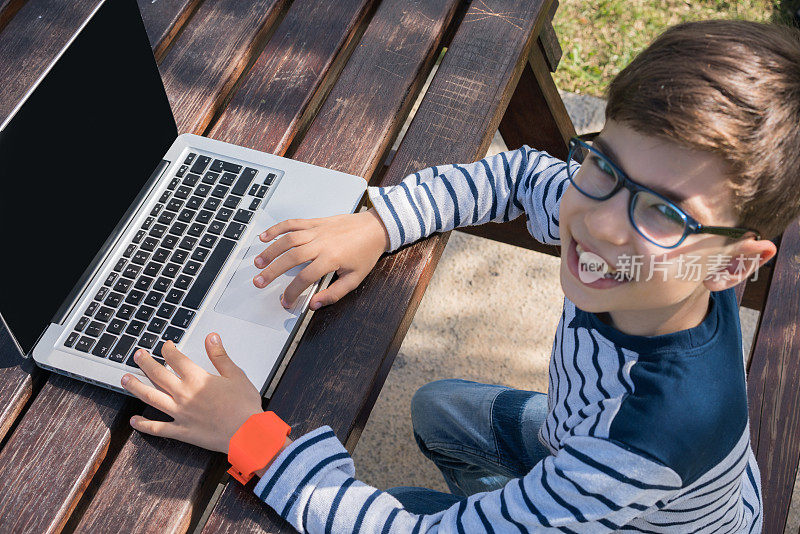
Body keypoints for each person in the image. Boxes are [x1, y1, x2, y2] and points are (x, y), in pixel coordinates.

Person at [119, 19, 800, 532]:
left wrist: (253, 438)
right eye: (606, 166)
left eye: (663, 212)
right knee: (436, 408)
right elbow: (518, 174)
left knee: (390, 511)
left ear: (734, 265)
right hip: (579, 448)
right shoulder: (657, 258)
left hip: (623, 503)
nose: (599, 223)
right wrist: (379, 224)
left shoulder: (648, 440)